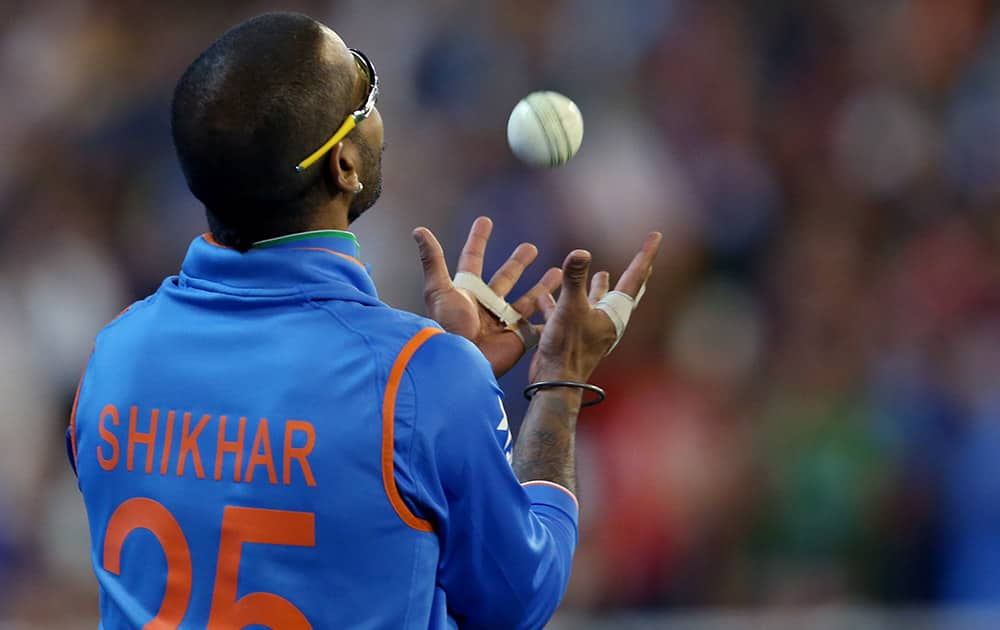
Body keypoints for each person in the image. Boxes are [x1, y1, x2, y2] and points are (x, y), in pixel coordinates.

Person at [67, 11, 660, 629]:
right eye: (365, 94)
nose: (380, 114)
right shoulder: (420, 379)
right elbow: (519, 599)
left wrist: (444, 397)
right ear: (343, 166)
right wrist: (559, 383)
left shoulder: (113, 354)